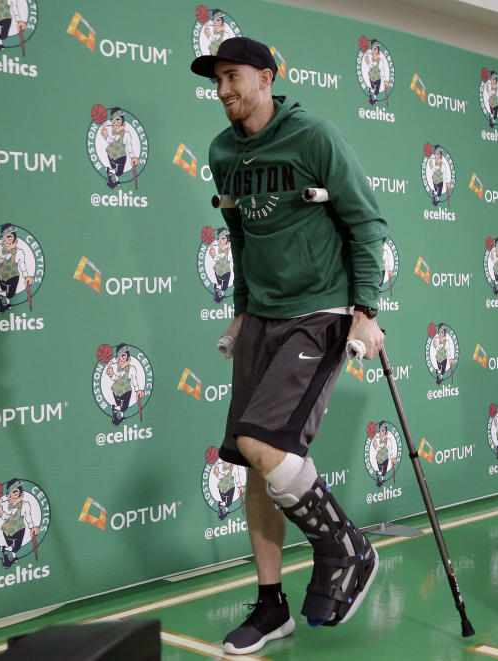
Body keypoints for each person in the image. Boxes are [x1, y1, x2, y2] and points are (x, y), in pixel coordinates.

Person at [191, 36, 387, 655]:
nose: (223, 90)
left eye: (233, 77)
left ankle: (345, 547)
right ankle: (271, 605)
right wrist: (239, 314)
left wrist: (366, 312)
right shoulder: (223, 152)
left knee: (263, 441)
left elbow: (364, 221)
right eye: (216, 80)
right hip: (262, 317)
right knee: (254, 462)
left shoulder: (314, 137)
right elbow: (241, 240)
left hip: (320, 310)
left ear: (267, 77)